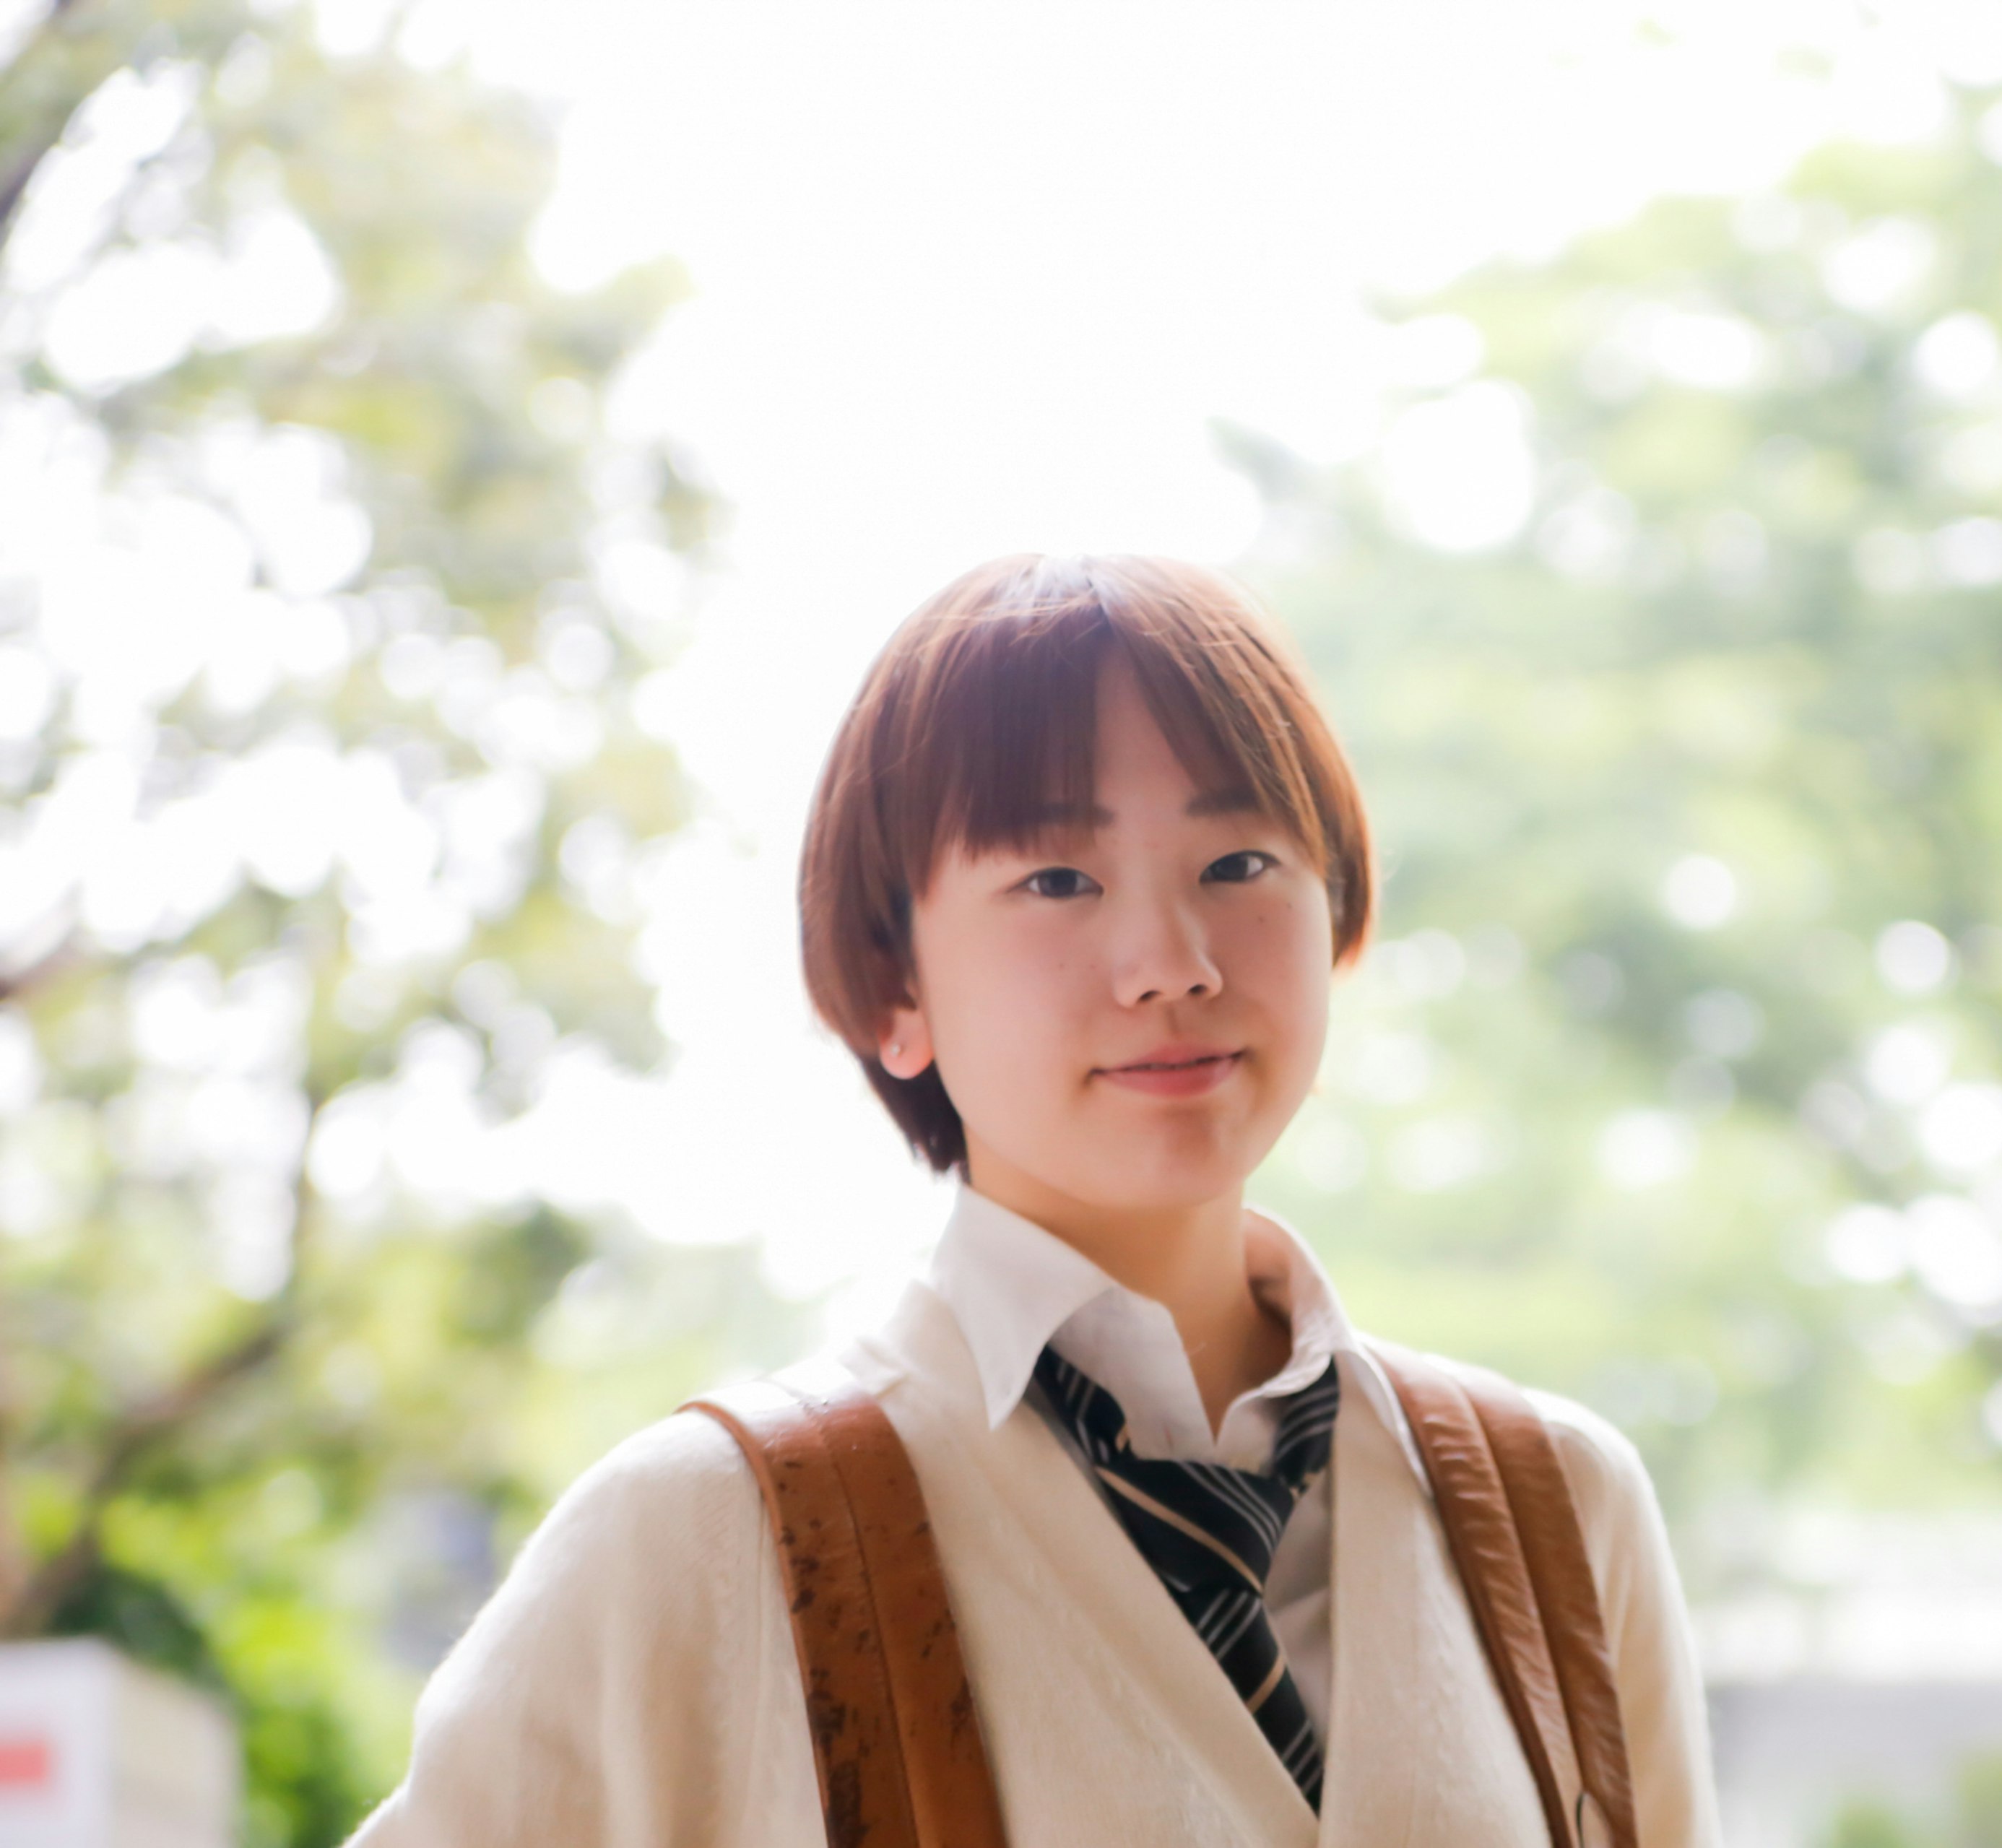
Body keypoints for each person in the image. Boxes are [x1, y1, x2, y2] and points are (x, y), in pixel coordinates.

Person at [344, 553, 1722, 1846]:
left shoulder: (1551, 1514)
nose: (1170, 962)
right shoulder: (704, 1535)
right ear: (896, 989)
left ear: (1339, 913)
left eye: (1238, 864)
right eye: (1057, 879)